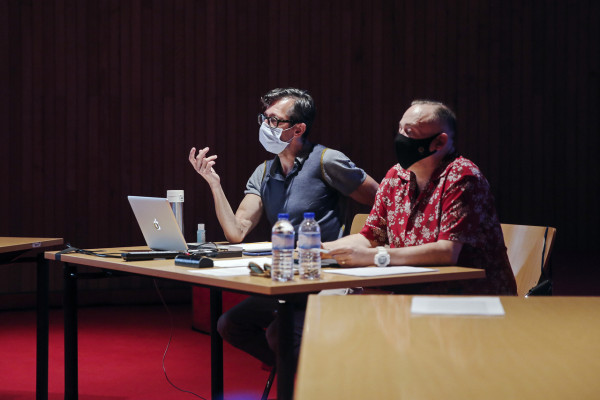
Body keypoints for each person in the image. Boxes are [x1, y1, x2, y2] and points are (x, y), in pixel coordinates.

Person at [188, 88, 378, 366]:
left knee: (280, 334)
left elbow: (382, 201)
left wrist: (362, 247)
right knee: (229, 324)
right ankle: (296, 374)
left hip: (327, 276)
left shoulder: (326, 160)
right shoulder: (265, 172)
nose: (266, 126)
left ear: (298, 129)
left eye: (274, 120)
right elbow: (236, 231)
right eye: (264, 118)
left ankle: (314, 378)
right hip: (288, 277)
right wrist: (214, 184)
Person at [324, 100, 517, 295]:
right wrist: (320, 250)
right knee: (332, 297)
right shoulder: (395, 176)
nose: (400, 137)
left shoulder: (462, 176)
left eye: (409, 132)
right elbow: (370, 237)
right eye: (400, 129)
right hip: (410, 290)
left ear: (439, 142)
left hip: (468, 296)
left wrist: (374, 256)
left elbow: (447, 252)